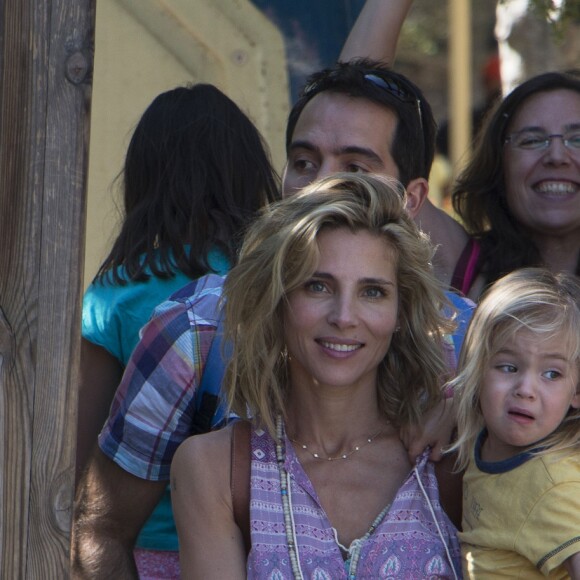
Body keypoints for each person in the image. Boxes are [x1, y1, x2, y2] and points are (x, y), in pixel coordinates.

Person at [72, 56, 473, 579]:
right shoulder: (195, 329)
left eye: (355, 170)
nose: (319, 189)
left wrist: (470, 400)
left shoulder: (471, 343)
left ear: (412, 199)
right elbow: (99, 526)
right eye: (304, 162)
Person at [171, 173, 462, 579]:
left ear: (401, 312)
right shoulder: (216, 470)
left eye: (373, 292)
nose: (344, 317)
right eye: (318, 286)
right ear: (278, 299)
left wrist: (464, 407)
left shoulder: (447, 460)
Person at [75, 83, 279, 577]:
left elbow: (79, 459)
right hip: (264, 546)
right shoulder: (277, 287)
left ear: (145, 180)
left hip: (140, 551)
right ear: (250, 176)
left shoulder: (117, 293)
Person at [449, 267, 580, 578]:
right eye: (508, 367)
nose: (526, 390)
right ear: (477, 368)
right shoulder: (485, 439)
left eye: (552, 374)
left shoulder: (553, 485)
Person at [451, 71, 580, 299]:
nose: (557, 156)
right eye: (532, 140)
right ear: (498, 162)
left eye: (578, 139)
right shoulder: (458, 262)